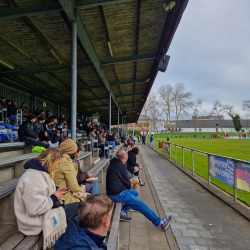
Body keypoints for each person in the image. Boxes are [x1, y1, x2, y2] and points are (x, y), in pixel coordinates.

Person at [14, 148, 79, 236]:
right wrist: (54, 197)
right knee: (79, 208)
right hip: (35, 223)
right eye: (57, 164)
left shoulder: (40, 172)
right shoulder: (34, 177)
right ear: (51, 161)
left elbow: (41, 193)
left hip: (43, 216)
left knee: (80, 209)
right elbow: (34, 209)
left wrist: (56, 190)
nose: (57, 167)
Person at [106, 150, 172, 231]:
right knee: (140, 204)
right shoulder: (120, 165)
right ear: (125, 158)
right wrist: (128, 185)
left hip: (115, 190)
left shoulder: (114, 163)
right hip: (116, 194)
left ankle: (123, 212)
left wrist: (127, 185)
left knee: (135, 192)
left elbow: (120, 179)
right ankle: (160, 222)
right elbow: (126, 181)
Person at [54, 139, 88, 205]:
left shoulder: (63, 159)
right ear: (74, 151)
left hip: (62, 192)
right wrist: (82, 190)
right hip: (64, 196)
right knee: (89, 201)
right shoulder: (67, 162)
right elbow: (73, 186)